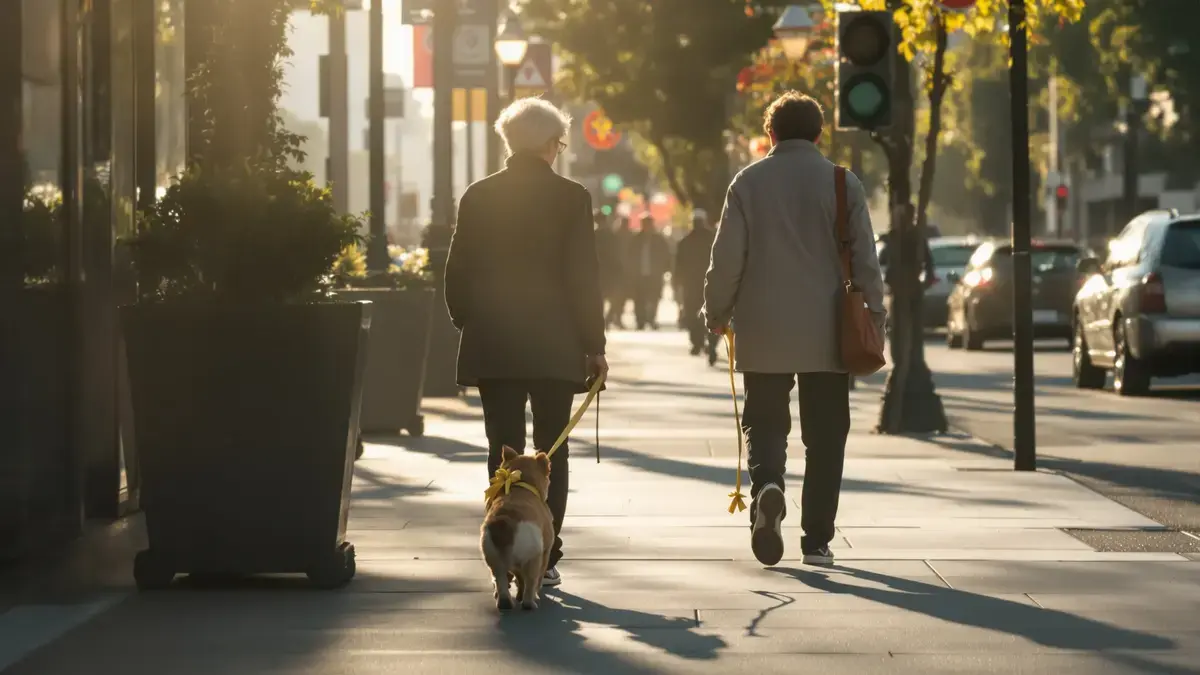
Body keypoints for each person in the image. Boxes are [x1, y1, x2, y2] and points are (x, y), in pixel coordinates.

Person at [702, 91, 885, 568]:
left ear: (771, 133)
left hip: (762, 328)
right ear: (819, 134)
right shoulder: (844, 184)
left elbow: (727, 259)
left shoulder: (747, 183)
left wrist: (716, 310)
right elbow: (866, 262)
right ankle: (817, 539)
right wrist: (877, 320)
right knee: (826, 433)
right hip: (828, 329)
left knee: (764, 423)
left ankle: (767, 486)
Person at [445, 98, 609, 588]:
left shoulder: (478, 195)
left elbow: (457, 269)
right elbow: (583, 274)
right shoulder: (571, 196)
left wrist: (466, 320)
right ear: (546, 145)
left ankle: (505, 541)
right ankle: (546, 553)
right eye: (559, 143)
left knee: (503, 449)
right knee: (550, 452)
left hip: (494, 342)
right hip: (555, 344)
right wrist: (593, 343)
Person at [674, 209, 719, 364]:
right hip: (698, 284)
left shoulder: (709, 240)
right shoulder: (690, 241)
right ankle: (700, 342)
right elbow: (678, 265)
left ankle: (706, 343)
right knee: (695, 315)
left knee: (703, 315)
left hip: (703, 284)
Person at [630, 214, 671, 330]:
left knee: (653, 298)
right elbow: (630, 256)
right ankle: (640, 321)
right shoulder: (636, 239)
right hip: (639, 275)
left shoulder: (659, 239)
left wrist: (665, 269)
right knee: (639, 299)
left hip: (654, 275)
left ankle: (652, 319)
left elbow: (666, 255)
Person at [593, 210, 623, 328]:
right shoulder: (610, 235)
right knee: (613, 297)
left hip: (600, 271)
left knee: (602, 297)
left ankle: (605, 319)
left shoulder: (593, 235)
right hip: (608, 271)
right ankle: (608, 318)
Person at [605, 216, 634, 329]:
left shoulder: (629, 237)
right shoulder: (614, 237)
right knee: (616, 297)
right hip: (615, 272)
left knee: (621, 298)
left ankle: (614, 318)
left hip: (624, 272)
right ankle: (611, 319)